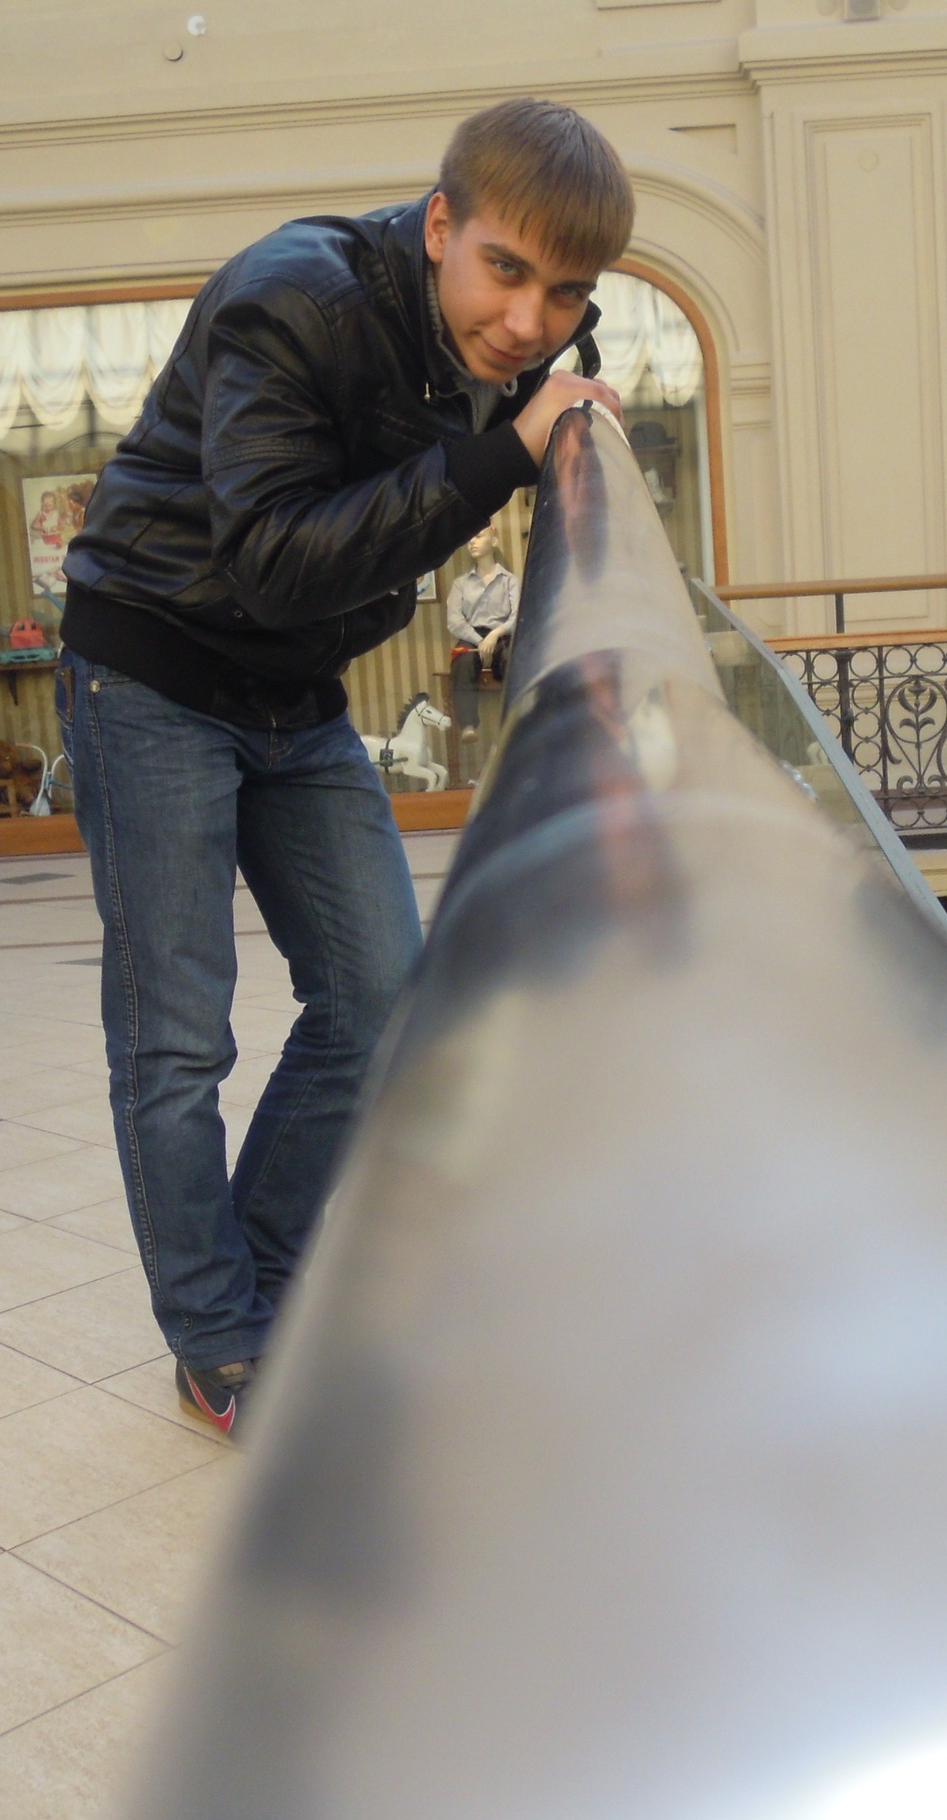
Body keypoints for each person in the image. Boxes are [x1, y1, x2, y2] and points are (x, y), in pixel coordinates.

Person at [56, 98, 631, 1436]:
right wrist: (501, 454)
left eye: (564, 293)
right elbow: (270, 556)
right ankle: (215, 1338)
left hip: (291, 688)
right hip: (150, 669)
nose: (528, 322)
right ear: (439, 226)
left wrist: (555, 434)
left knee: (381, 996)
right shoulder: (292, 301)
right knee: (176, 1034)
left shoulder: (522, 338)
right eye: (504, 270)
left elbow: (531, 404)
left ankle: (260, 1282)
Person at [446, 522, 519, 738]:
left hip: (502, 636)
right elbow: (454, 620)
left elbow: (518, 615)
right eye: (470, 537)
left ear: (494, 541)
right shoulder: (461, 583)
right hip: (472, 637)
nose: (472, 541)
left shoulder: (509, 581)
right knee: (462, 663)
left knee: (513, 661)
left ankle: (515, 724)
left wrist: (495, 634)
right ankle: (468, 726)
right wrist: (479, 641)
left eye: (478, 536)